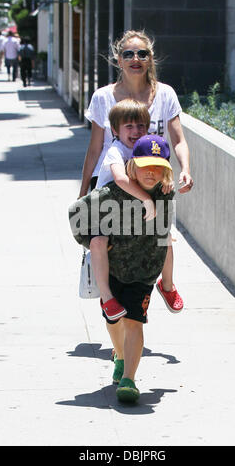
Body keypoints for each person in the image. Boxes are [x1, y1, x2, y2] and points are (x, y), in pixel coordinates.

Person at [79, 29, 193, 314]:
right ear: (118, 59)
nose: (135, 59)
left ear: (150, 58)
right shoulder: (103, 97)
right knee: (105, 243)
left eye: (142, 54)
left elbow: (177, 139)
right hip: (113, 182)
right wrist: (83, 190)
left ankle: (166, 286)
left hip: (155, 179)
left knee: (162, 237)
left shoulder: (164, 94)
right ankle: (112, 304)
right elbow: (95, 149)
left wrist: (185, 170)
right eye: (128, 54)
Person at [69, 135, 174, 402]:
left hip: (144, 272)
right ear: (131, 167)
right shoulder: (111, 195)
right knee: (114, 321)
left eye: (158, 167)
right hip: (114, 270)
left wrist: (163, 268)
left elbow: (163, 231)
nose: (151, 172)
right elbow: (77, 216)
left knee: (134, 321)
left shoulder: (164, 194)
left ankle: (129, 379)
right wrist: (97, 244)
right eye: (145, 165)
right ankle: (120, 355)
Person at [91, 98, 175, 322]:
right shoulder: (115, 151)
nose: (136, 131)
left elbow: (162, 169)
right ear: (114, 130)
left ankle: (167, 285)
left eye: (140, 126)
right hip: (108, 211)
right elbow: (120, 179)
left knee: (165, 238)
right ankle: (107, 297)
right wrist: (148, 199)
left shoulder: (149, 148)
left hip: (133, 212)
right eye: (128, 126)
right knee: (97, 242)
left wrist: (167, 181)